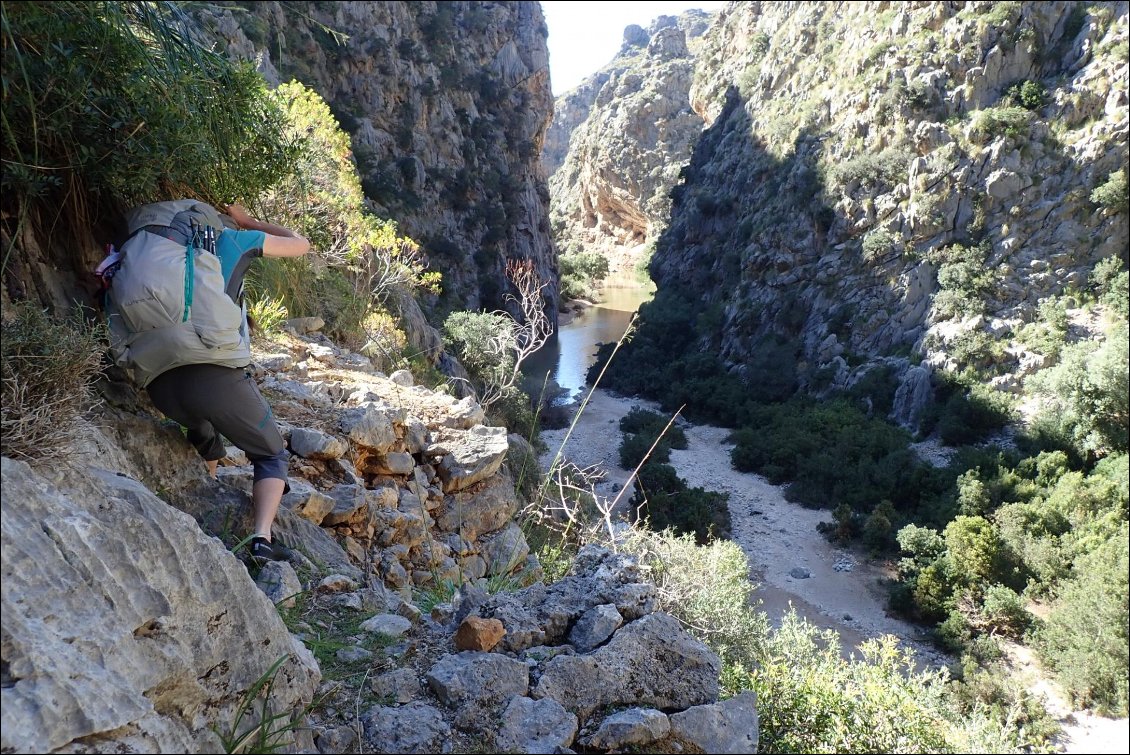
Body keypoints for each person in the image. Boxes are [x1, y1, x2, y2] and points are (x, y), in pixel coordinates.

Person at [143, 203, 310, 564]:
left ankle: (201, 516)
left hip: (158, 384)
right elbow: (301, 244)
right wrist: (248, 221)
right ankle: (261, 541)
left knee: (204, 430)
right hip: (214, 377)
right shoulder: (230, 240)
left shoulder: (141, 253)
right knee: (271, 453)